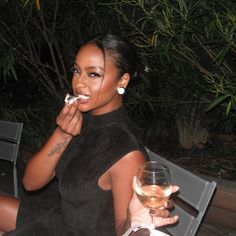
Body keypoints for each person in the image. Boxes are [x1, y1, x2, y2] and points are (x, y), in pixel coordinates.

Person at [0, 33, 178, 236]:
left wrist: (135, 223)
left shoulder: (126, 153)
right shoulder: (83, 120)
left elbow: (124, 229)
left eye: (93, 74)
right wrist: (62, 133)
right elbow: (31, 183)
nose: (79, 83)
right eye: (76, 71)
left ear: (122, 81)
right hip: (59, 221)